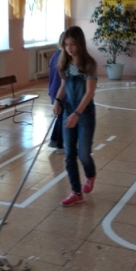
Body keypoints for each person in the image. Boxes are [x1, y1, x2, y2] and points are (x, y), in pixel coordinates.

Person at [52, 26, 98, 207]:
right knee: (69, 154)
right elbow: (63, 86)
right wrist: (57, 101)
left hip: (84, 114)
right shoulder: (64, 64)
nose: (69, 48)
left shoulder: (88, 65)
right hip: (68, 112)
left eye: (72, 44)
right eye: (66, 45)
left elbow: (89, 93)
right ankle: (76, 192)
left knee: (84, 154)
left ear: (80, 43)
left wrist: (77, 114)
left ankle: (90, 175)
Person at [47, 33, 65, 154]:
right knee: (62, 117)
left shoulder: (55, 55)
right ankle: (60, 144)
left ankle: (54, 140)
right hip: (60, 92)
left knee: (61, 117)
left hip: (54, 90)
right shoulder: (62, 58)